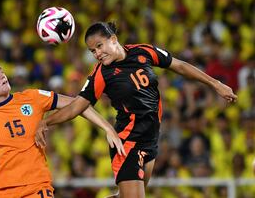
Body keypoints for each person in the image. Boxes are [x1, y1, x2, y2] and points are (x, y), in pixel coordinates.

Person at [35, 22, 238, 198]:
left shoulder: (144, 51)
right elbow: (77, 107)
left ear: (113, 39)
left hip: (150, 140)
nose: (97, 53)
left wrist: (215, 84)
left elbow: (181, 66)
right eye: (92, 51)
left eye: (99, 46)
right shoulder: (101, 74)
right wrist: (46, 122)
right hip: (127, 142)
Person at [0, 61, 125, 198]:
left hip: (36, 189)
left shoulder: (32, 97)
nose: (2, 75)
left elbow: (78, 104)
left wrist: (108, 128)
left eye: (1, 71)